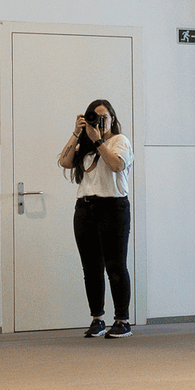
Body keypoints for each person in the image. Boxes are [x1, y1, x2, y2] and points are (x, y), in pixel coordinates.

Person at [58, 99, 134, 339]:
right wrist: (77, 132)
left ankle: (122, 320)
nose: (99, 121)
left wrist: (99, 139)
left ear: (112, 118)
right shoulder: (86, 146)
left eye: (103, 117)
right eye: (94, 117)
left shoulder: (120, 141)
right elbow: (64, 161)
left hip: (113, 207)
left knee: (115, 266)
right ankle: (97, 319)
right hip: (85, 208)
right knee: (91, 269)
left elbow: (116, 165)